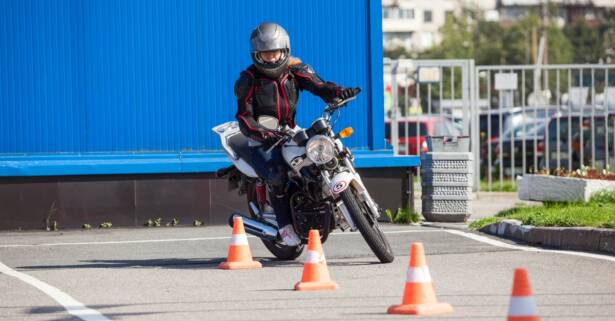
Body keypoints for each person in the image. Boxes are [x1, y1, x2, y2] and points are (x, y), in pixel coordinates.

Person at [234, 22, 355, 246]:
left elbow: (320, 86)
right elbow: (243, 116)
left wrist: (338, 92)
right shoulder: (248, 80)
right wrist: (260, 132)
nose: (270, 58)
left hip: (289, 130)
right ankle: (285, 226)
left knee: (324, 152)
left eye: (275, 52)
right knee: (277, 174)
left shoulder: (296, 70)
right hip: (261, 138)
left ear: (284, 50)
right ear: (256, 55)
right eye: (265, 54)